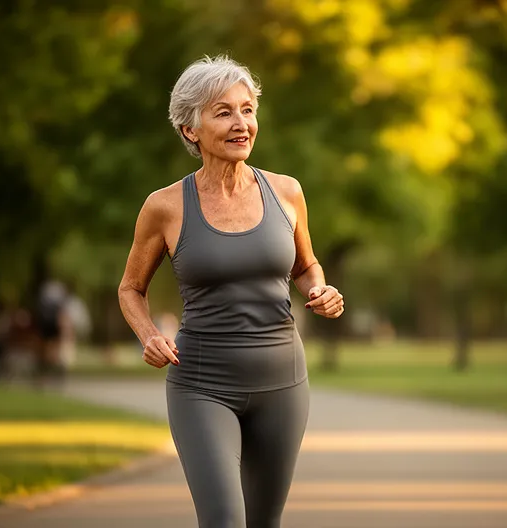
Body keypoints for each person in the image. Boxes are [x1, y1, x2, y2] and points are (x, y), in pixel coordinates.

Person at [117, 55, 345, 528]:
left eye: (247, 110)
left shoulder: (286, 192)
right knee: (223, 520)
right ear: (189, 130)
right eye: (223, 112)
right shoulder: (164, 207)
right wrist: (148, 336)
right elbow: (130, 288)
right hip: (201, 385)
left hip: (282, 383)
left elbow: (306, 265)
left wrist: (321, 289)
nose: (242, 123)